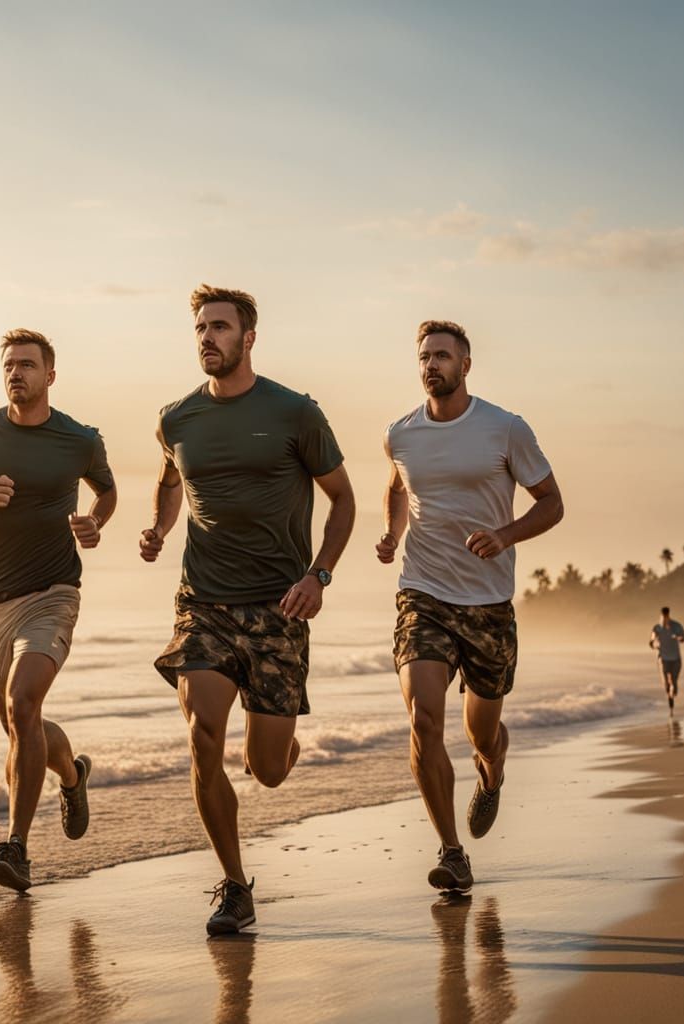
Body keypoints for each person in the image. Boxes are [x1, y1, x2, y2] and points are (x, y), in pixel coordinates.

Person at [140, 284, 355, 935]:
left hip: (279, 609)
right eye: (201, 327)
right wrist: (157, 527)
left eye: (221, 327)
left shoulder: (296, 413)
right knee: (204, 737)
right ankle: (235, 887)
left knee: (267, 770)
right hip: (202, 604)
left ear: (249, 337)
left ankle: (282, 746)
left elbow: (343, 500)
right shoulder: (176, 419)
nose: (208, 337)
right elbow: (169, 478)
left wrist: (319, 575)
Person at [376, 320, 563, 892]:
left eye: (443, 356)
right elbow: (398, 486)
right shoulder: (400, 434)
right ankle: (452, 851)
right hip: (422, 594)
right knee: (423, 719)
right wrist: (390, 533)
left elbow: (552, 503)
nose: (432, 365)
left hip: (488, 604)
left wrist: (504, 536)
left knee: (483, 733)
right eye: (425, 357)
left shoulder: (505, 428)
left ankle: (492, 771)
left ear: (466, 364)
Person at [0, 328, 116, 891]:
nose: (17, 373)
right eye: (10, 365)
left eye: (28, 365)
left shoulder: (79, 439)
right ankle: (72, 773)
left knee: (22, 701)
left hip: (53, 592)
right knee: (23, 724)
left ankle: (16, 849)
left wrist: (95, 521)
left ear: (50, 375)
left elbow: (105, 491)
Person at [650, 606, 684, 713]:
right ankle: (669, 697)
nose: (665, 616)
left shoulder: (676, 626)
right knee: (666, 683)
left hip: (675, 658)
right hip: (663, 658)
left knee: (674, 682)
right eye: (663, 614)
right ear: (661, 614)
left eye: (666, 614)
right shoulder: (657, 628)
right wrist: (654, 644)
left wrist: (678, 637)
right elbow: (651, 641)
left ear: (668, 614)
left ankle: (672, 694)